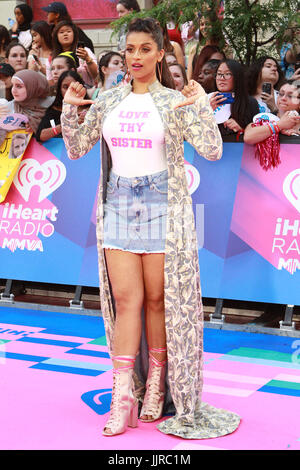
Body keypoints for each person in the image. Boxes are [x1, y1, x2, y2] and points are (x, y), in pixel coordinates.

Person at [61, 16, 240, 439]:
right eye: (130, 49)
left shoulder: (173, 100)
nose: (136, 57)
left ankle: (158, 382)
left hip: (165, 206)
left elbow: (212, 150)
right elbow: (76, 148)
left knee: (158, 299)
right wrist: (70, 108)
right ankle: (124, 395)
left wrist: (197, 104)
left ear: (161, 54)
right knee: (127, 300)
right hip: (118, 205)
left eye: (145, 49)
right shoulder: (107, 99)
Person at [209, 59, 259, 136]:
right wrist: (207, 110)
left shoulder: (249, 103)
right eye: (219, 74)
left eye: (227, 74)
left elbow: (257, 134)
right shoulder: (207, 100)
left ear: (237, 77)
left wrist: (242, 129)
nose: (222, 78)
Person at [36, 70, 89, 142]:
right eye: (65, 87)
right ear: (60, 90)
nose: (69, 91)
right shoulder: (54, 111)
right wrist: (65, 125)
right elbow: (41, 136)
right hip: (60, 151)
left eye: (73, 86)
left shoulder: (91, 109)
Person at [52, 20, 98, 87]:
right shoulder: (53, 56)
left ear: (74, 34)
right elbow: (51, 81)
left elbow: (96, 75)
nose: (65, 34)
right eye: (61, 32)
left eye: (68, 31)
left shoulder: (84, 51)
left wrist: (87, 59)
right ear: (56, 37)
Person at [8, 69, 51, 135]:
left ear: (33, 87)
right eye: (12, 85)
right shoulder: (7, 108)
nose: (13, 90)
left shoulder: (52, 107)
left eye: (19, 86)